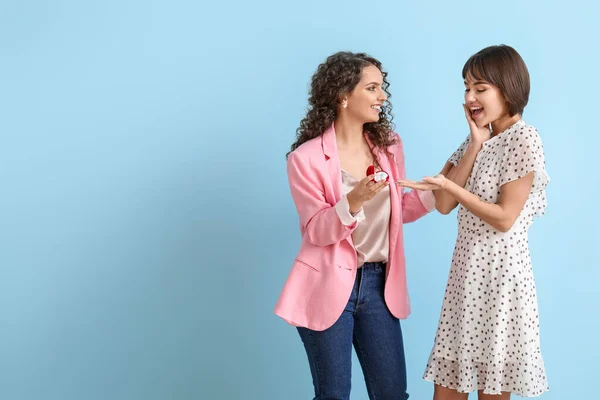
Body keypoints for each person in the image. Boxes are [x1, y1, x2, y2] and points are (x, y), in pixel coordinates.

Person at [274, 51, 435, 400]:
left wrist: (440, 190)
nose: (383, 97)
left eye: (383, 88)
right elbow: (317, 230)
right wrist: (354, 200)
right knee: (333, 395)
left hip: (378, 284)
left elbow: (399, 211)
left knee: (392, 394)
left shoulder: (388, 147)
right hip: (327, 286)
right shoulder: (305, 159)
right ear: (343, 95)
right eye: (373, 88)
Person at [399, 45, 550, 399]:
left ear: (507, 88)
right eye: (466, 87)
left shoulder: (524, 139)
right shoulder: (475, 138)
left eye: (480, 88)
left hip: (501, 283)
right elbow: (443, 203)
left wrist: (450, 183)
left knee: (492, 391)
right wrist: (475, 145)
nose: (470, 97)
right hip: (465, 281)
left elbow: (504, 218)